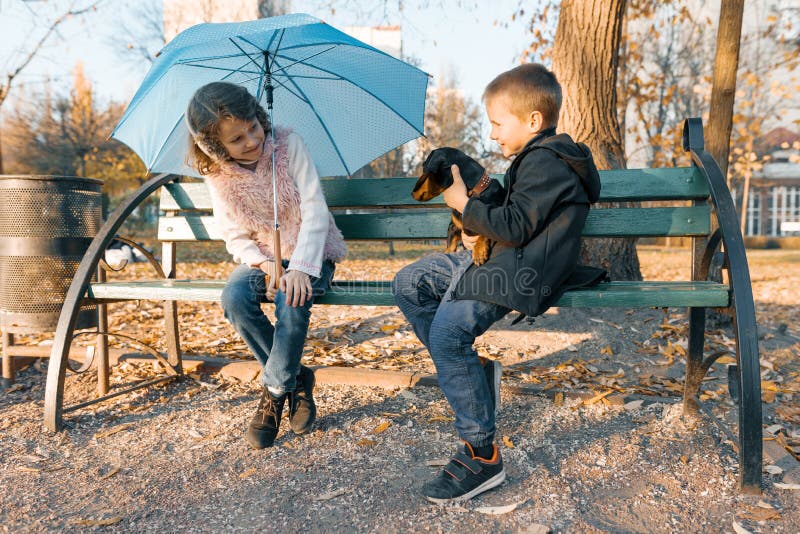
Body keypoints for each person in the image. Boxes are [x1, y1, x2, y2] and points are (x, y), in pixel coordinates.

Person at [393, 63, 603, 503]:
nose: (491, 135)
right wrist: (476, 227)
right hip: (500, 260)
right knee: (409, 283)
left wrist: (462, 205)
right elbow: (511, 218)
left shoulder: (548, 162)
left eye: (496, 123)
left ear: (532, 121)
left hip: (520, 273)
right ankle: (476, 376)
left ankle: (482, 455)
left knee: (449, 335)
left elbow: (516, 224)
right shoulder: (536, 159)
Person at [185, 82, 347, 449]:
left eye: (254, 128)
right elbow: (233, 235)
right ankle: (297, 378)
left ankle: (275, 391)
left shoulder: (289, 147)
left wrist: (300, 268)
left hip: (312, 251)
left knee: (292, 297)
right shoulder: (218, 176)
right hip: (263, 258)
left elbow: (315, 210)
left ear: (261, 117)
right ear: (215, 147)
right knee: (234, 297)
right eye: (237, 139)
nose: (251, 141)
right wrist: (265, 264)